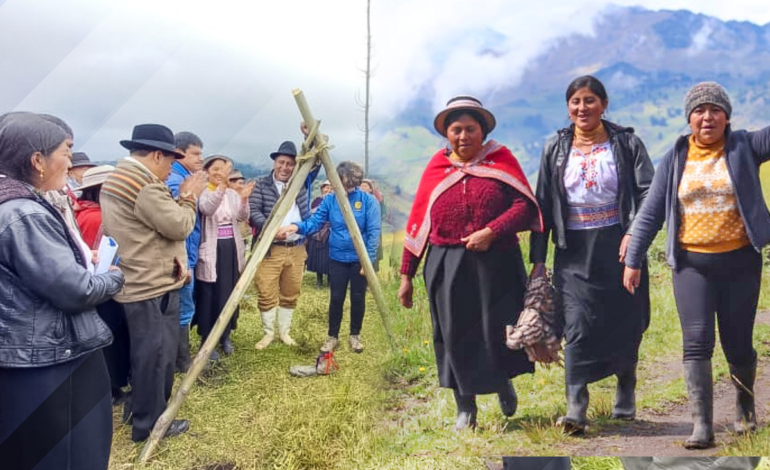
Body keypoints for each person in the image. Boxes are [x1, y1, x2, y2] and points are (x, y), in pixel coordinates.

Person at [623, 81, 770, 449]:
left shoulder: (746, 146)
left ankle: (744, 407)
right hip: (691, 266)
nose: (707, 117)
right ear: (689, 117)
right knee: (696, 342)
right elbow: (650, 212)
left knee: (737, 343)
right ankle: (702, 424)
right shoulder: (675, 157)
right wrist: (634, 258)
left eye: (715, 110)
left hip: (740, 263)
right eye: (699, 110)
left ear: (727, 116)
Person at [397, 96, 543, 431]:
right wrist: (407, 275)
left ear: (483, 131)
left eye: (470, 129)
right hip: (446, 264)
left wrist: (493, 230)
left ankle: (503, 381)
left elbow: (524, 205)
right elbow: (419, 222)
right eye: (456, 130)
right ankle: (466, 407)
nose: (463, 136)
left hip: (497, 262)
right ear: (446, 134)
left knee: (499, 330)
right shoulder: (436, 170)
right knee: (454, 334)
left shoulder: (501, 161)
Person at [529, 75, 654, 435]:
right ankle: (576, 406)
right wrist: (539, 260)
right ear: (568, 107)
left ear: (604, 104)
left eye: (590, 101)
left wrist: (635, 234)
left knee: (627, 319)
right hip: (573, 250)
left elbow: (648, 192)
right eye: (575, 102)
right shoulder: (555, 146)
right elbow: (543, 204)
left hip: (620, 246)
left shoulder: (626, 143)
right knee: (577, 324)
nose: (582, 108)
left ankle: (625, 386)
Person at [0, 112, 124, 470]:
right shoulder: (23, 214)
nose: (71, 163)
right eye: (67, 151)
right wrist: (113, 276)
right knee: (69, 451)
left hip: (28, 353)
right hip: (50, 356)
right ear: (37, 160)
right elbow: (74, 290)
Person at [100, 123, 208, 443]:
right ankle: (151, 425)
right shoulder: (145, 184)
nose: (170, 168)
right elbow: (178, 226)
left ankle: (138, 409)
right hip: (152, 285)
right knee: (155, 358)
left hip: (134, 278)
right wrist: (188, 198)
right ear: (157, 155)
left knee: (143, 354)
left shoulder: (116, 178)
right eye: (170, 161)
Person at [279, 162, 381, 353]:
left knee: (358, 297)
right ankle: (332, 336)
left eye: (345, 182)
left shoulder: (368, 201)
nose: (341, 185)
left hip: (359, 259)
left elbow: (374, 232)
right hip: (337, 257)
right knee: (336, 298)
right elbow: (316, 222)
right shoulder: (330, 200)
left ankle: (355, 335)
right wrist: (296, 227)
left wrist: (369, 260)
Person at [74, 164, 131, 404]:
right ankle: (113, 386)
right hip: (103, 283)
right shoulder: (99, 216)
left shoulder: (80, 212)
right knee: (112, 336)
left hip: (90, 284)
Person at [249, 141, 310, 349]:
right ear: (274, 163)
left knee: (291, 290)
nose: (285, 168)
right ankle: (268, 333)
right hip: (270, 249)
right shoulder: (261, 185)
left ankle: (285, 332)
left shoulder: (300, 185)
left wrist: (307, 137)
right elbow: (254, 210)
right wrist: (271, 229)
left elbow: (315, 160)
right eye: (281, 162)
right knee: (266, 290)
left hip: (296, 248)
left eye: (290, 164)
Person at [195, 155, 253, 356]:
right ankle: (207, 339)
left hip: (231, 247)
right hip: (212, 249)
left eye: (224, 169)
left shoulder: (232, 194)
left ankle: (225, 334)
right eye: (215, 169)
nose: (219, 173)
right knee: (210, 293)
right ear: (207, 173)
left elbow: (242, 217)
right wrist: (220, 187)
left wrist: (244, 198)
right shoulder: (203, 192)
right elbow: (207, 208)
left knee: (228, 292)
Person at [166, 131, 204, 371]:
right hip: (181, 256)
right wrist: (184, 261)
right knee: (182, 308)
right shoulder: (176, 182)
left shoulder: (186, 177)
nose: (201, 158)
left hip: (186, 254)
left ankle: (179, 357)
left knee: (182, 307)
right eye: (196, 153)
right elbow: (178, 224)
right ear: (180, 153)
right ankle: (181, 360)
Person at [306, 180, 332, 288]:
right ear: (322, 189)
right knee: (318, 257)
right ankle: (319, 280)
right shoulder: (317, 201)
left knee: (331, 257)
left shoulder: (338, 201)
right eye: (326, 187)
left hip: (331, 231)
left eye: (331, 188)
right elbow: (313, 214)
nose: (328, 190)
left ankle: (331, 281)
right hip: (318, 231)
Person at [360, 178, 386, 271]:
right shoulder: (357, 199)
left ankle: (372, 273)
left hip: (373, 228)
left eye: (365, 186)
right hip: (361, 230)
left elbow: (383, 213)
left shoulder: (376, 199)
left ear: (371, 189)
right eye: (361, 185)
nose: (362, 187)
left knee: (373, 249)